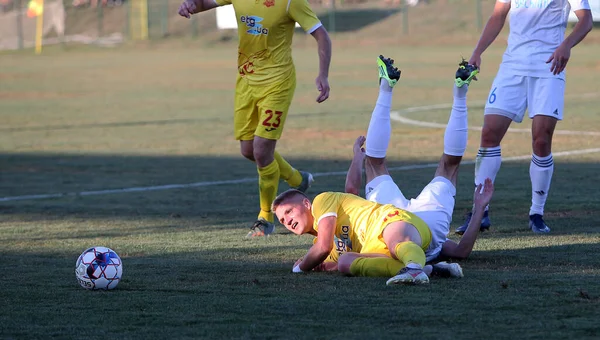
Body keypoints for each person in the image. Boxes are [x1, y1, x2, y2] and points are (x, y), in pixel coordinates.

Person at [272, 56, 493, 285]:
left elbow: (334, 223)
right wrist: (479, 208)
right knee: (440, 166)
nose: (286, 220)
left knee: (384, 165)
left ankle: (416, 268)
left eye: (288, 212)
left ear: (305, 203)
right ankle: (454, 93)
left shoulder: (322, 213)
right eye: (281, 219)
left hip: (392, 218)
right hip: (407, 224)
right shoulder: (328, 242)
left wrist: (301, 267)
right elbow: (460, 252)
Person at [178, 0, 332, 238]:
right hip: (246, 82)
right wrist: (190, 5)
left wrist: (323, 74)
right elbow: (204, 4)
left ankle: (265, 218)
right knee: (248, 150)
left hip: (277, 84)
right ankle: (296, 178)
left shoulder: (291, 2)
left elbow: (322, 35)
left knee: (261, 150)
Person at [455, 0, 593, 235]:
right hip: (512, 66)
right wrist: (477, 52)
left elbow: (586, 20)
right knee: (489, 134)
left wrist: (566, 45)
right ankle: (480, 212)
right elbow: (498, 15)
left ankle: (536, 213)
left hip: (549, 67)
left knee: (541, 139)